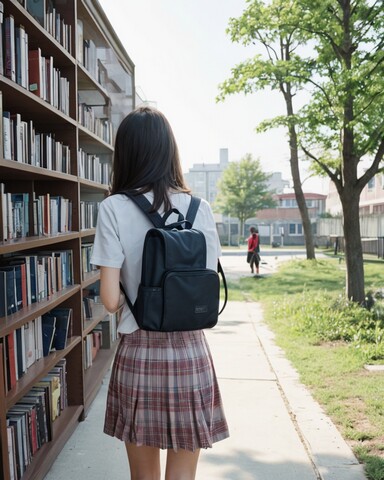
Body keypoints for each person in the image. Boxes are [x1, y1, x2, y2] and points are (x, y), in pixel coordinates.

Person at [90, 106, 229, 480]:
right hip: (190, 353)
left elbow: (109, 300)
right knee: (183, 474)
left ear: (126, 154)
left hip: (139, 352)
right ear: (170, 150)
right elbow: (203, 284)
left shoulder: (113, 209)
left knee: (143, 476)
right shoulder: (200, 209)